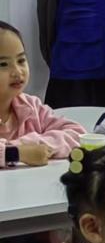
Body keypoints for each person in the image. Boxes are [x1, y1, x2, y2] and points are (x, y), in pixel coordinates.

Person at [1, 21, 84, 170]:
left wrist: (33, 145)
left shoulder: (31, 106)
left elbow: (76, 133)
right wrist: (18, 153)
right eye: (3, 64)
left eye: (21, 60)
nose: (17, 71)